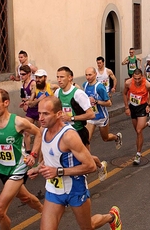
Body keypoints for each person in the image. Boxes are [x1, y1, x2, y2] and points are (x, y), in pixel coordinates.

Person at [27, 96, 122, 230]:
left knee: (88, 227)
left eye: (46, 114)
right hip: (54, 190)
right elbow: (50, 156)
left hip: (75, 189)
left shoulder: (69, 136)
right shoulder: (43, 130)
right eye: (39, 113)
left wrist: (58, 172)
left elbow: (90, 166)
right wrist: (38, 168)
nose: (41, 118)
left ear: (59, 114)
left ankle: (112, 217)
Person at [0, 89, 43, 230]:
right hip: (2, 169)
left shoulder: (18, 122)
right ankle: (46, 211)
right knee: (26, 198)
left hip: (18, 168)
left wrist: (33, 155)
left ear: (6, 103)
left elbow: (38, 133)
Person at [83, 67, 122, 150]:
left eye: (90, 75)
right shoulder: (85, 85)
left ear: (95, 74)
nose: (88, 77)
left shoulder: (100, 87)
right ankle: (90, 162)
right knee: (86, 141)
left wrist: (96, 102)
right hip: (91, 117)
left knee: (105, 138)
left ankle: (116, 137)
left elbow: (109, 103)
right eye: (86, 75)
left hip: (101, 117)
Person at [123, 68, 150, 165]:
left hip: (142, 107)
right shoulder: (128, 83)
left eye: (139, 78)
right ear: (133, 77)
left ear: (142, 77)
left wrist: (148, 105)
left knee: (139, 130)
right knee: (137, 131)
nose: (137, 81)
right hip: (133, 107)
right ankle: (149, 123)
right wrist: (126, 107)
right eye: (135, 78)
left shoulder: (147, 84)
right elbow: (124, 94)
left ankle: (138, 154)